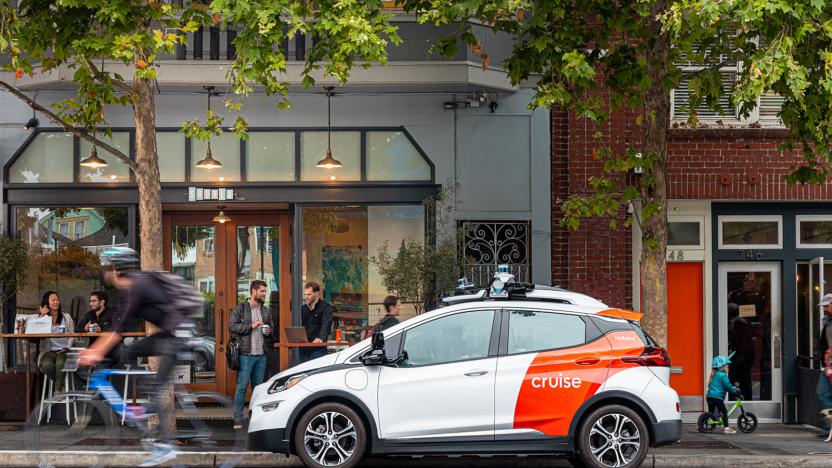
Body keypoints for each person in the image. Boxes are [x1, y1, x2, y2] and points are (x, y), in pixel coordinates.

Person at [79, 247, 191, 467]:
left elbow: (118, 328)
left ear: (116, 270)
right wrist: (99, 353)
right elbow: (118, 329)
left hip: (181, 335)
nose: (105, 274)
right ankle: (140, 410)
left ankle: (164, 445)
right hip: (167, 334)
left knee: (154, 386)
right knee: (129, 352)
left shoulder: (139, 286)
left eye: (108, 269)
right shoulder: (131, 290)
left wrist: (94, 352)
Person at [228, 280, 274, 429]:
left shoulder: (266, 311)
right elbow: (232, 326)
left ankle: (255, 418)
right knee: (241, 387)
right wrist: (250, 326)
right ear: (253, 292)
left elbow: (271, 330)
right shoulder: (241, 308)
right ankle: (237, 419)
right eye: (262, 291)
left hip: (261, 355)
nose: (264, 294)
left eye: (265, 292)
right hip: (245, 354)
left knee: (258, 389)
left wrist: (269, 332)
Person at [38, 291, 74, 393]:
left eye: (57, 300)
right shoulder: (43, 318)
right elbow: (37, 332)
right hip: (50, 351)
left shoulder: (67, 317)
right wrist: (42, 316)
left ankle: (57, 391)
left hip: (65, 349)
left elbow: (72, 334)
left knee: (60, 363)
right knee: (46, 364)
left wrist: (67, 347)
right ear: (47, 303)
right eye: (53, 300)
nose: (56, 302)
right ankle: (61, 384)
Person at [300, 282, 333, 362]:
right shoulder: (303, 308)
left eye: (309, 294)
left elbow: (326, 324)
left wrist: (321, 337)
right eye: (305, 294)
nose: (306, 297)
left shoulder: (326, 307)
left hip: (318, 349)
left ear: (317, 294)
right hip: (303, 349)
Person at [707, 354, 740, 435]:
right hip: (717, 397)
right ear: (722, 367)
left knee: (711, 412)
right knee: (724, 412)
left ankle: (704, 423)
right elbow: (727, 386)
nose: (728, 368)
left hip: (710, 396)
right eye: (727, 366)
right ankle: (726, 428)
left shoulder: (715, 374)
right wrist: (734, 391)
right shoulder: (722, 375)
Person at [728, 309, 755, 400]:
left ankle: (737, 398)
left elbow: (741, 340)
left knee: (740, 379)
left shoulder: (739, 322)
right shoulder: (741, 321)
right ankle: (745, 398)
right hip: (743, 355)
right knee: (745, 379)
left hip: (742, 355)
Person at [816, 294, 832, 436]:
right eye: (824, 306)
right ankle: (828, 426)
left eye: (827, 306)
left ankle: (829, 427)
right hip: (828, 364)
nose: (825, 309)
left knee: (823, 392)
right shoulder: (828, 322)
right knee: (822, 392)